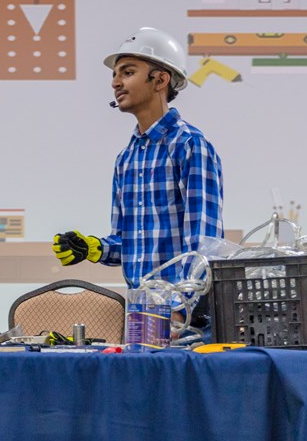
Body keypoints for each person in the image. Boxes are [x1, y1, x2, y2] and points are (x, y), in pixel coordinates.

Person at [52, 27, 223, 296]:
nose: (115, 83)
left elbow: (203, 246)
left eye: (128, 72)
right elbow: (132, 243)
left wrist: (181, 307)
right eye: (114, 75)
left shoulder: (189, 145)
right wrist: (94, 248)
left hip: (183, 313)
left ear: (160, 80)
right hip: (141, 307)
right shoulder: (126, 159)